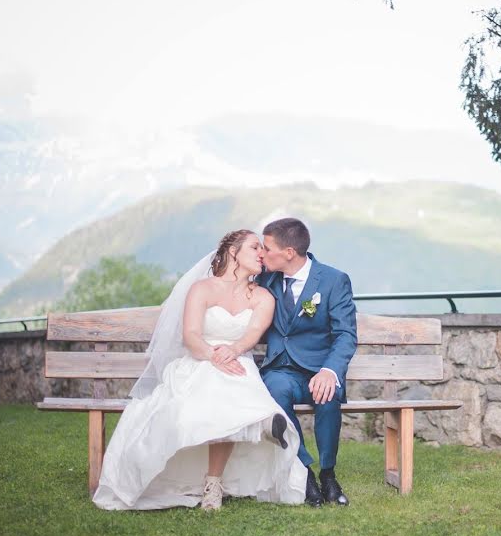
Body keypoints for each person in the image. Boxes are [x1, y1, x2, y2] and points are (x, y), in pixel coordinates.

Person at [92, 230, 307, 511]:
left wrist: (235, 349)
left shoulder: (263, 297)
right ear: (233, 252)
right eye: (255, 247)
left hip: (237, 361)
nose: (262, 254)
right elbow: (191, 335)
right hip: (200, 360)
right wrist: (213, 355)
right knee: (213, 390)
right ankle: (260, 424)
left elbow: (252, 334)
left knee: (230, 384)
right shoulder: (202, 289)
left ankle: (214, 484)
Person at [257, 218, 358, 507]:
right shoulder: (265, 278)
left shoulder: (333, 280)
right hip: (282, 369)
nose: (262, 254)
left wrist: (329, 371)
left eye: (267, 248)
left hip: (319, 368)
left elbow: (345, 334)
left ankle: (328, 474)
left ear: (289, 252)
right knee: (276, 390)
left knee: (328, 394)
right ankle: (305, 473)